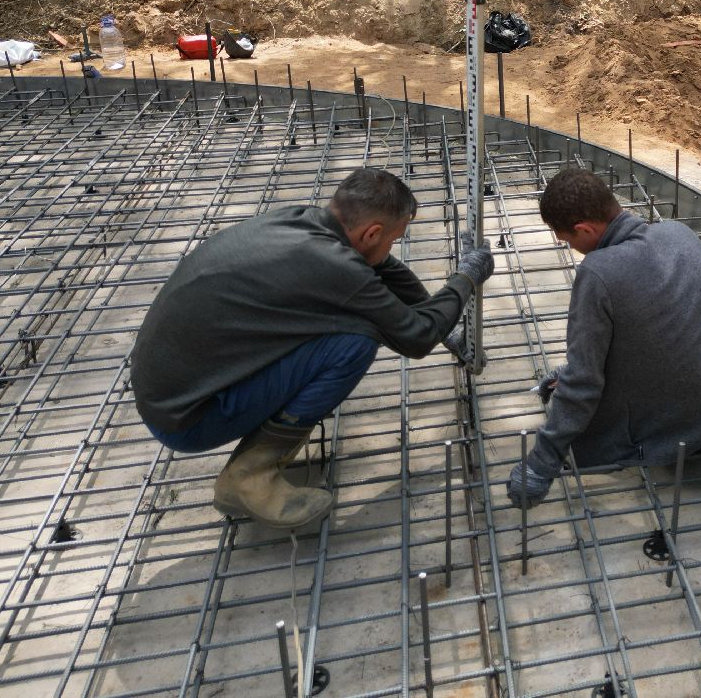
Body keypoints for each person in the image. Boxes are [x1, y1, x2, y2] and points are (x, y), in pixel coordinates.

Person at [131, 167, 493, 530]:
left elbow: (383, 269)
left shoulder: (302, 222)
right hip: (186, 421)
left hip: (167, 393)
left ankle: (252, 465)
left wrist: (448, 333)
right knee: (354, 343)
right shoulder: (336, 266)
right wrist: (466, 278)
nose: (391, 248)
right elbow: (415, 338)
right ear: (372, 232)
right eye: (393, 238)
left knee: (350, 318)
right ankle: (249, 478)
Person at [505, 168, 701, 507]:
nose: (563, 244)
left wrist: (541, 463)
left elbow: (584, 384)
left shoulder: (597, 274)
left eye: (566, 238)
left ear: (585, 229)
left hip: (687, 440)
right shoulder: (677, 233)